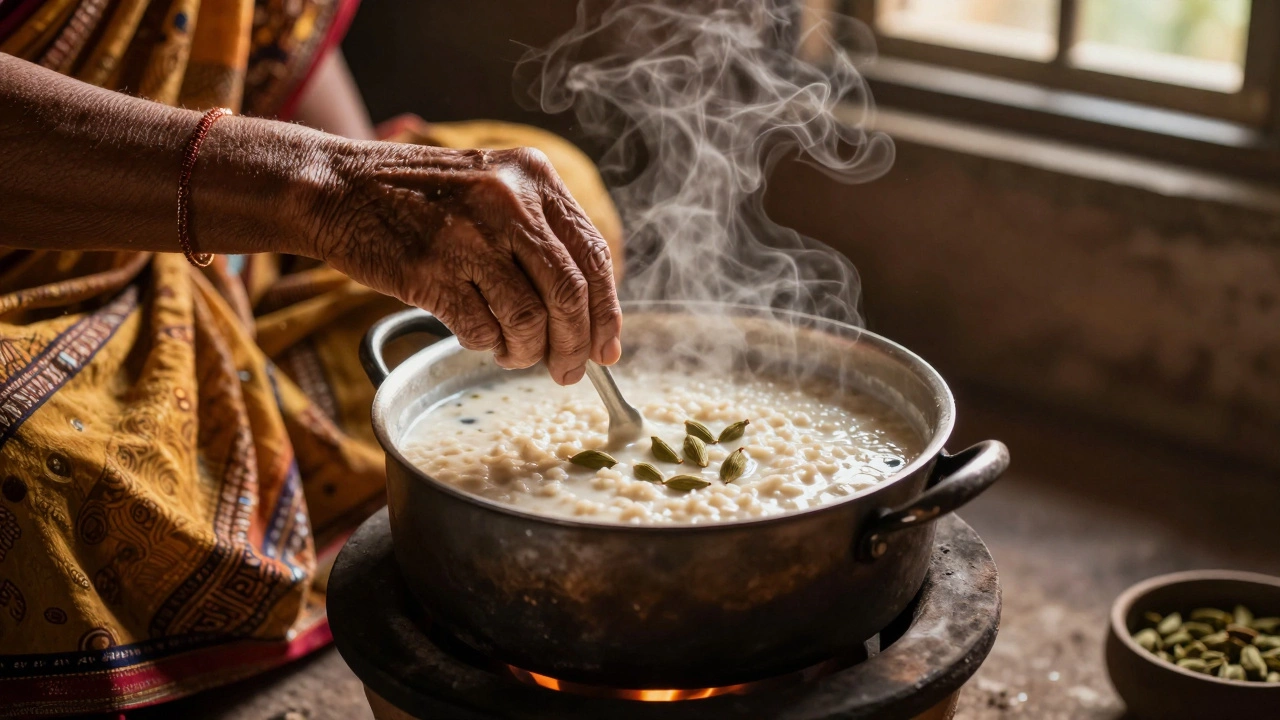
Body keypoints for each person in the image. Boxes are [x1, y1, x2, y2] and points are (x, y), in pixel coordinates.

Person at [0, 1, 624, 715]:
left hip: (207, 240)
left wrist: (380, 214)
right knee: (25, 467)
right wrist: (319, 189)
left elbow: (248, 28)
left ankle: (256, 466)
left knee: (558, 216)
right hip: (39, 270)